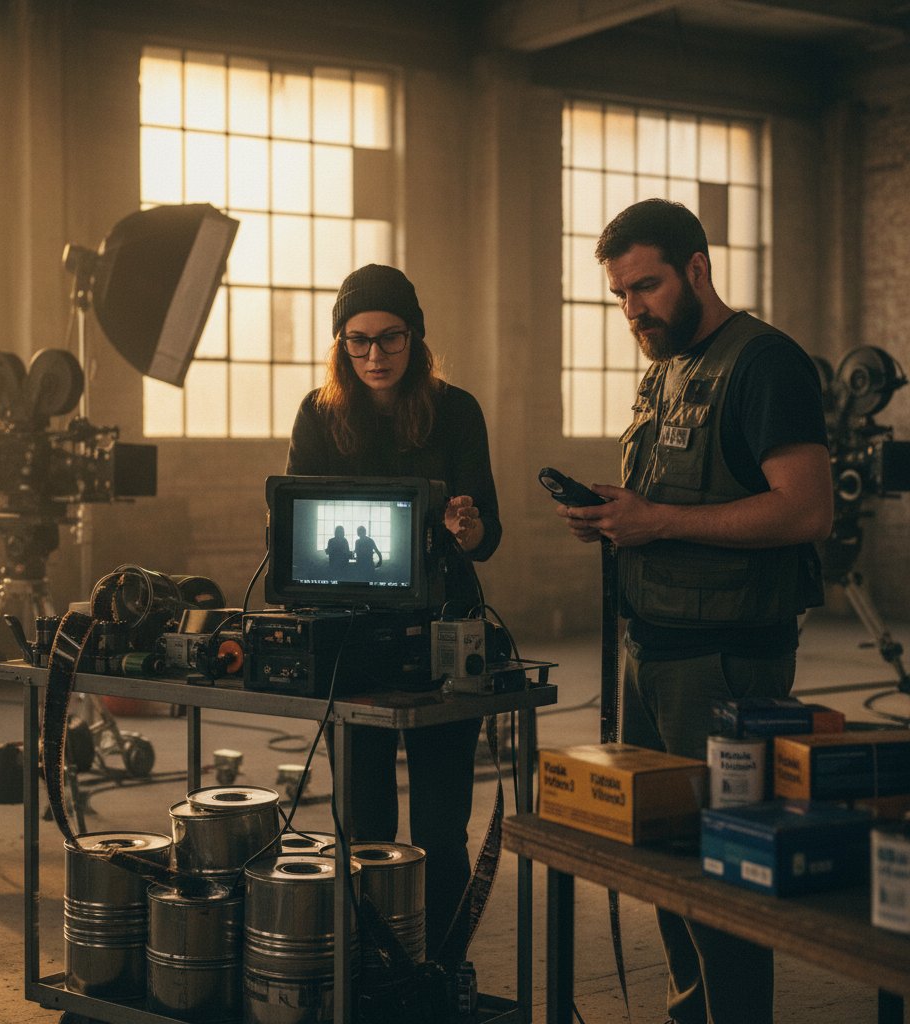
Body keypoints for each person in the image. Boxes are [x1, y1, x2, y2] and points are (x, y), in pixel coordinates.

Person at [556, 199, 833, 1024]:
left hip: (726, 660)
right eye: (620, 295)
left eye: (646, 286)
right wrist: (618, 514)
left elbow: (806, 510)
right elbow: (677, 488)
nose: (632, 309)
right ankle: (692, 1012)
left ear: (698, 269)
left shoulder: (765, 363)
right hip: (655, 649)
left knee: (727, 866)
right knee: (668, 858)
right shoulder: (667, 365)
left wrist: (660, 522)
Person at [286, 262, 502, 960]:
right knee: (365, 824)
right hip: (352, 642)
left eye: (390, 338)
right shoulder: (318, 415)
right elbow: (296, 527)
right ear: (340, 344)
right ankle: (372, 969)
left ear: (417, 338)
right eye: (358, 341)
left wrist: (469, 529)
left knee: (440, 828)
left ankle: (440, 972)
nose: (375, 355)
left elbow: (488, 533)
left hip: (443, 635)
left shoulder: (458, 409)